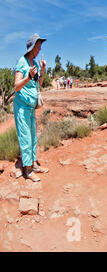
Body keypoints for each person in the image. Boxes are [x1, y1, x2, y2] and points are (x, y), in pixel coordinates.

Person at [13, 33, 49, 182]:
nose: (40, 49)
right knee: (26, 137)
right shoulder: (22, 62)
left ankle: (33, 164)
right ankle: (27, 170)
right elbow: (16, 86)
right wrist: (28, 76)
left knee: (33, 136)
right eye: (39, 46)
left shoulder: (34, 62)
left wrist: (43, 70)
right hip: (21, 107)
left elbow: (38, 84)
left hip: (30, 107)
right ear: (33, 46)